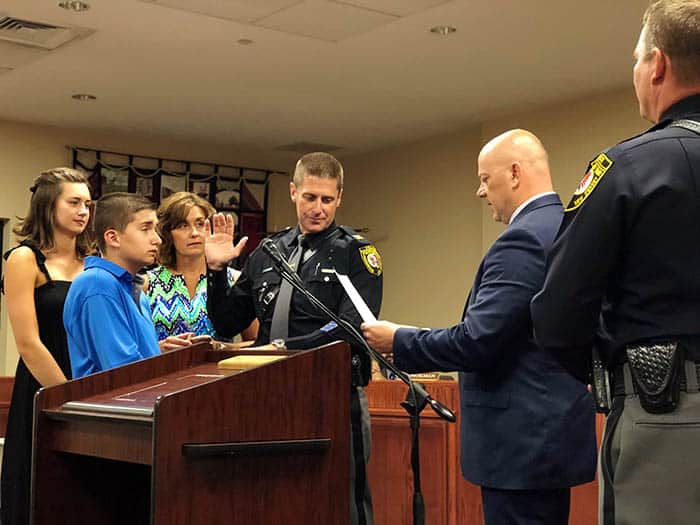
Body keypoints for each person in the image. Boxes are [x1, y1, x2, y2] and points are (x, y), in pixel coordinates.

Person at [362, 130, 596, 525]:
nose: (480, 192)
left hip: (520, 448)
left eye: (486, 179)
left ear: (516, 174)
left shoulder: (523, 240)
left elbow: (478, 341)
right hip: (550, 437)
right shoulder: (566, 227)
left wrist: (398, 340)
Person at [531, 2, 700, 524]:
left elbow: (558, 313)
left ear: (657, 66)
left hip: (669, 415)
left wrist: (610, 370)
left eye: (635, 60)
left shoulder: (628, 167)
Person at [205, 152, 382, 525]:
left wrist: (283, 350)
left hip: (333, 394)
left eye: (327, 199)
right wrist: (217, 270)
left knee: (343, 499)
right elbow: (226, 321)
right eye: (309, 198)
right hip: (270, 393)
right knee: (277, 495)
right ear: (293, 192)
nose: (318, 209)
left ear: (340, 198)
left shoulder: (357, 252)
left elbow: (350, 328)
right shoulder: (269, 251)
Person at [0, 168, 92, 525]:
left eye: (87, 203)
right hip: (45, 387)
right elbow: (28, 343)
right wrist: (68, 397)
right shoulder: (23, 259)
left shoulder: (93, 261)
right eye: (74, 202)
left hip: (89, 385)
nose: (83, 210)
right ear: (48, 206)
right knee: (38, 488)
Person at [64, 192, 186, 377]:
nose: (157, 240)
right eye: (145, 229)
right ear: (113, 238)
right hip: (112, 403)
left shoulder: (136, 290)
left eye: (156, 230)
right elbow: (125, 371)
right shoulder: (97, 283)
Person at [145, 192, 257, 349]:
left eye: (200, 224)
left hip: (219, 371)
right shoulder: (146, 284)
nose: (194, 233)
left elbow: (259, 344)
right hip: (164, 371)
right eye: (183, 226)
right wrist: (157, 348)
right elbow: (132, 348)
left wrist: (221, 347)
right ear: (168, 233)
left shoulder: (235, 280)